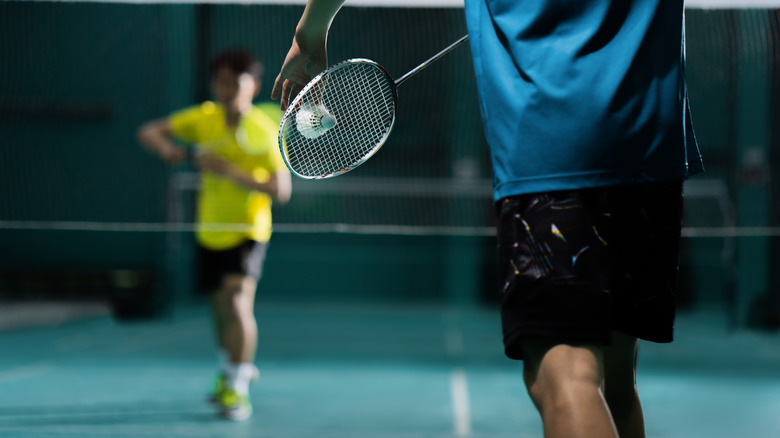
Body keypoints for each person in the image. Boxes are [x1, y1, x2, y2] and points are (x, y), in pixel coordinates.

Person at [272, 1, 703, 437]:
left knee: (563, 376)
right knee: (617, 385)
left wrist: (309, 33)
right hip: (655, 148)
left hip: (555, 140)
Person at [139, 48, 291, 421]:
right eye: (220, 81)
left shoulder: (264, 128)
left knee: (237, 299)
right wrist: (167, 150)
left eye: (235, 82)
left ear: (252, 85)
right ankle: (232, 369)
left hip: (249, 229)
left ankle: (237, 388)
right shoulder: (203, 119)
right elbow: (149, 131)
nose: (226, 89)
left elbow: (281, 190)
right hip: (210, 229)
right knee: (220, 308)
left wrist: (228, 172)